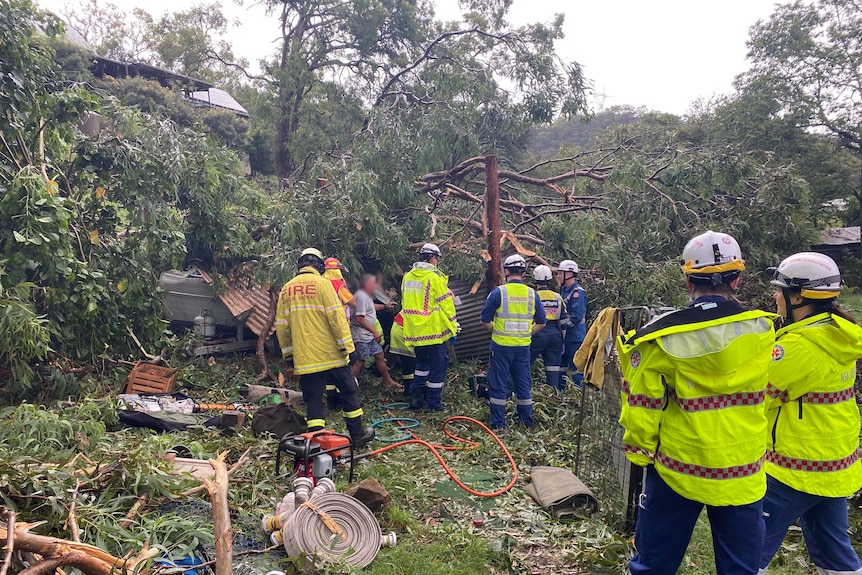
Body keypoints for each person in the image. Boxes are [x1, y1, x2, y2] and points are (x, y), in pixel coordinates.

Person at [618, 230, 777, 575]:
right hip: (743, 470)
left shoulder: (661, 336)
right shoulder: (766, 332)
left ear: (688, 280)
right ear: (737, 280)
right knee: (740, 569)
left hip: (678, 470)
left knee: (653, 565)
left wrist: (639, 452)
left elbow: (641, 406)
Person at [759, 252, 862, 575]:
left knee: (747, 551)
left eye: (780, 290)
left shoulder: (802, 347)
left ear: (799, 295)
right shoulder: (837, 332)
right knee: (834, 556)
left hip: (794, 468)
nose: (774, 296)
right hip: (831, 463)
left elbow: (759, 396)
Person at [275, 248, 375, 448]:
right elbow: (337, 320)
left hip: (305, 357)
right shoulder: (324, 285)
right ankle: (357, 435)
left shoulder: (286, 289)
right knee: (349, 391)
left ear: (300, 265)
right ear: (320, 266)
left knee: (314, 400)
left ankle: (316, 442)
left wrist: (289, 355)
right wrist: (348, 347)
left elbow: (282, 326)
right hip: (333, 355)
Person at [480, 255, 546, 429]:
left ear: (506, 271)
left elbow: (485, 321)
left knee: (498, 384)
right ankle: (526, 422)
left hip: (501, 347)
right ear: (524, 273)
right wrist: (524, 333)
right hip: (523, 347)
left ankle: (498, 424)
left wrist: (496, 330)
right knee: (523, 383)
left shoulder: (498, 292)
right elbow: (541, 322)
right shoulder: (533, 294)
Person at [401, 243, 458, 411]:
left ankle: (416, 399)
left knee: (421, 366)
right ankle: (433, 404)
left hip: (415, 332)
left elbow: (406, 303)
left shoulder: (408, 277)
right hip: (433, 332)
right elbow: (446, 303)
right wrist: (453, 326)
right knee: (438, 367)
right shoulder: (433, 278)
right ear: (433, 259)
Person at [350, 274, 402, 390]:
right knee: (360, 361)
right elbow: (359, 317)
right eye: (374, 283)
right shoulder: (361, 296)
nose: (376, 286)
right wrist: (374, 332)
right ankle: (351, 387)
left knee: (379, 355)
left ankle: (388, 381)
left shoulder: (366, 296)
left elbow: (370, 307)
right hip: (361, 335)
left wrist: (385, 306)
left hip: (369, 335)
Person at [529, 264, 565, 390]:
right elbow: (563, 321)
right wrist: (562, 340)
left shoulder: (532, 296)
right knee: (553, 368)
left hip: (536, 332)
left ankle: (523, 391)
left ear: (534, 279)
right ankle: (554, 395)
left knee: (525, 364)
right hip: (555, 334)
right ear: (549, 279)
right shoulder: (557, 297)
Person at [556, 260, 587, 388]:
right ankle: (560, 395)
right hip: (564, 337)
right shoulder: (563, 290)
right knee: (560, 369)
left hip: (574, 338)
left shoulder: (577, 293)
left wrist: (562, 326)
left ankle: (581, 397)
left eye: (560, 273)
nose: (557, 276)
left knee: (576, 370)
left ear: (568, 273)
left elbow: (576, 316)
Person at [388, 311, 416, 396]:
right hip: (403, 333)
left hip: (399, 330)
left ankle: (408, 390)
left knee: (407, 364)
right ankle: (416, 392)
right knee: (415, 364)